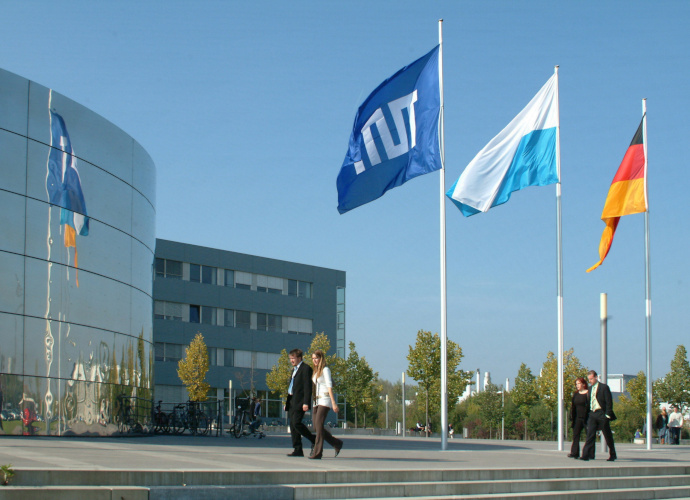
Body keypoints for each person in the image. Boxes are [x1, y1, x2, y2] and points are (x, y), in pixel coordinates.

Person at [309, 349, 343, 459]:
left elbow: (329, 386)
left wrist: (334, 403)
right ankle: (336, 443)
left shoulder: (325, 370)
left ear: (321, 358)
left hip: (325, 399)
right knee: (316, 427)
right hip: (316, 401)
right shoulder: (315, 371)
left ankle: (318, 452)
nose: (314, 360)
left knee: (319, 425)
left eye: (316, 358)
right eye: (313, 358)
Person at [580, 370, 617, 462]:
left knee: (607, 435)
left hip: (601, 414)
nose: (590, 381)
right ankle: (585, 454)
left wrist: (607, 415)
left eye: (591, 379)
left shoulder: (604, 387)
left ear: (596, 377)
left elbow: (609, 402)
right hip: (592, 414)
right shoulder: (589, 389)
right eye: (589, 379)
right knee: (590, 434)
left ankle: (613, 454)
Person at [285, 348, 315, 457]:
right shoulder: (294, 370)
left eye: (293, 358)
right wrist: (287, 403)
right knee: (292, 425)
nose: (291, 360)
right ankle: (298, 449)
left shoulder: (306, 368)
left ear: (299, 358)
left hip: (300, 401)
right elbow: (291, 388)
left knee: (296, 422)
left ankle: (314, 439)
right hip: (292, 401)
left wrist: (306, 402)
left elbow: (307, 387)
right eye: (290, 358)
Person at [568, 376, 589, 459]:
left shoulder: (588, 393)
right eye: (576, 384)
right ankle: (574, 452)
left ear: (583, 384)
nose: (577, 385)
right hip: (577, 418)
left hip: (587, 418)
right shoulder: (576, 394)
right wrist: (572, 417)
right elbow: (573, 407)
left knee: (589, 436)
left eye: (579, 383)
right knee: (576, 436)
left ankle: (588, 453)